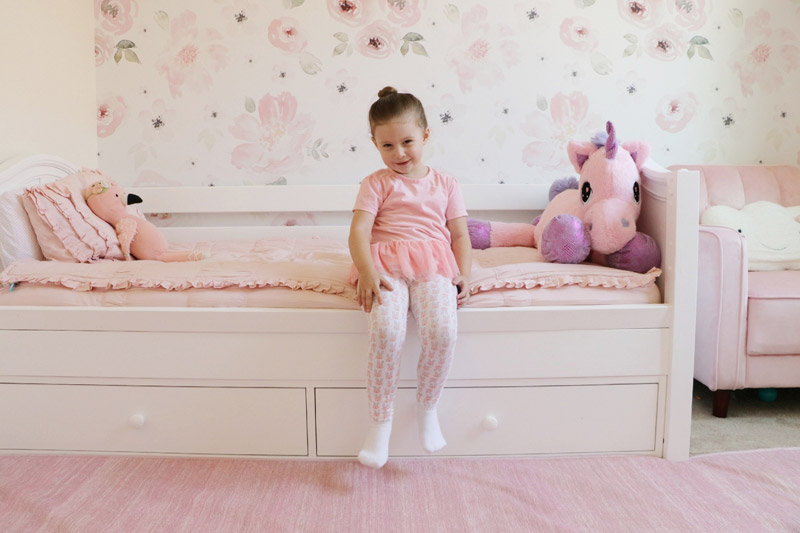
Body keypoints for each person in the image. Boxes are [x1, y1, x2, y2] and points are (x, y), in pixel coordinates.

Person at [348, 86, 472, 468]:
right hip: (384, 262)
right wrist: (367, 272)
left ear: (425, 136)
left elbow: (460, 234)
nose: (399, 154)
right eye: (387, 146)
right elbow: (358, 232)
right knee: (387, 331)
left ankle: (427, 408)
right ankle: (379, 423)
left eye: (407, 142)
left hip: (433, 263)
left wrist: (463, 273)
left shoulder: (446, 184)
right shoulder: (376, 184)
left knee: (442, 331)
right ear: (374, 144)